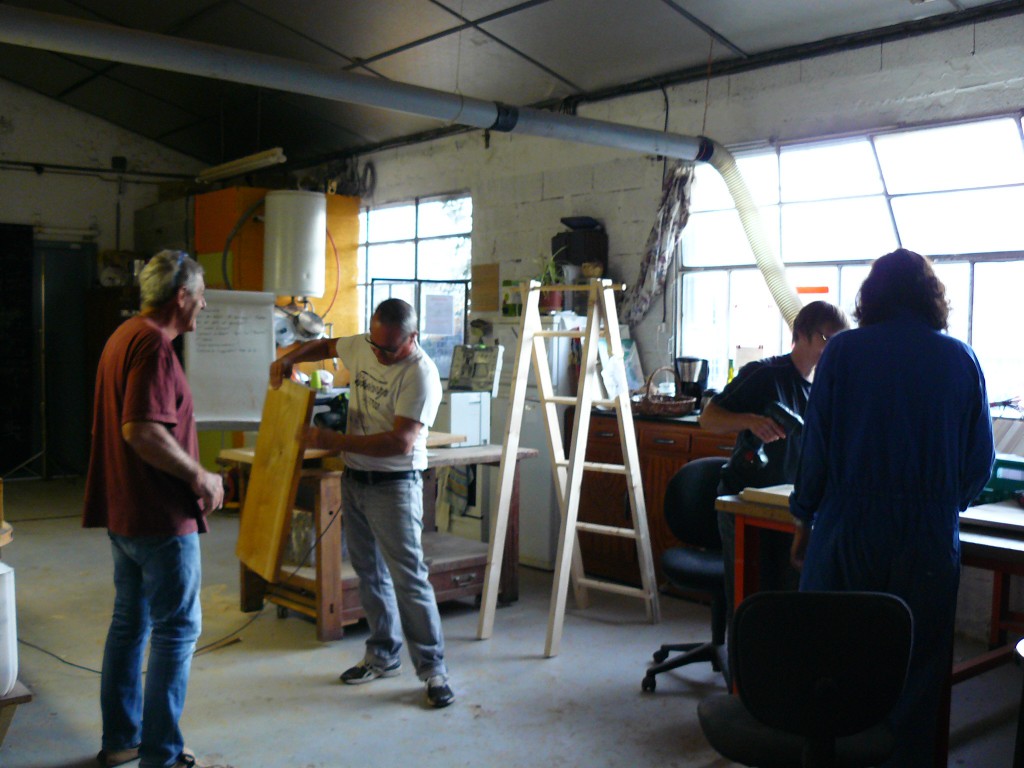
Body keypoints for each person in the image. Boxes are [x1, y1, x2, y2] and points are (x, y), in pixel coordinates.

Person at [789, 249, 994, 767]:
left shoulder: (843, 352)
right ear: (933, 298)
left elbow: (815, 451)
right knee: (916, 671)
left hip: (848, 530)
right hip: (927, 539)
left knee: (830, 659)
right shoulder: (961, 359)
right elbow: (979, 465)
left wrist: (804, 517)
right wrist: (940, 506)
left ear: (870, 296)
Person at [269, 298, 453, 708]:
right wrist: (288, 358)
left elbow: (400, 442)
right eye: (375, 344)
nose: (379, 354)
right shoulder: (366, 345)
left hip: (395, 486)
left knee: (409, 578)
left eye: (389, 349)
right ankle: (383, 655)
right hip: (355, 480)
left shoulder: (420, 374)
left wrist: (334, 441)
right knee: (369, 573)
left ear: (412, 338)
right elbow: (327, 345)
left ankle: (433, 669)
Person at [83, 251, 227, 768]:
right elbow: (141, 429)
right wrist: (199, 476)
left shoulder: (124, 336)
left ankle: (122, 738)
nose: (204, 305)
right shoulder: (153, 346)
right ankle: (161, 755)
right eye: (201, 295)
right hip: (161, 518)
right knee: (176, 630)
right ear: (181, 296)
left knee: (130, 625)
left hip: (127, 513)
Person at [700, 300, 850, 613]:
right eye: (827, 339)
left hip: (788, 507)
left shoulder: (822, 389)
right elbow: (708, 418)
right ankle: (740, 646)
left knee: (786, 597)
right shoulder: (764, 374)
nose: (832, 349)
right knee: (748, 597)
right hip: (744, 500)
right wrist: (750, 421)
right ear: (802, 334)